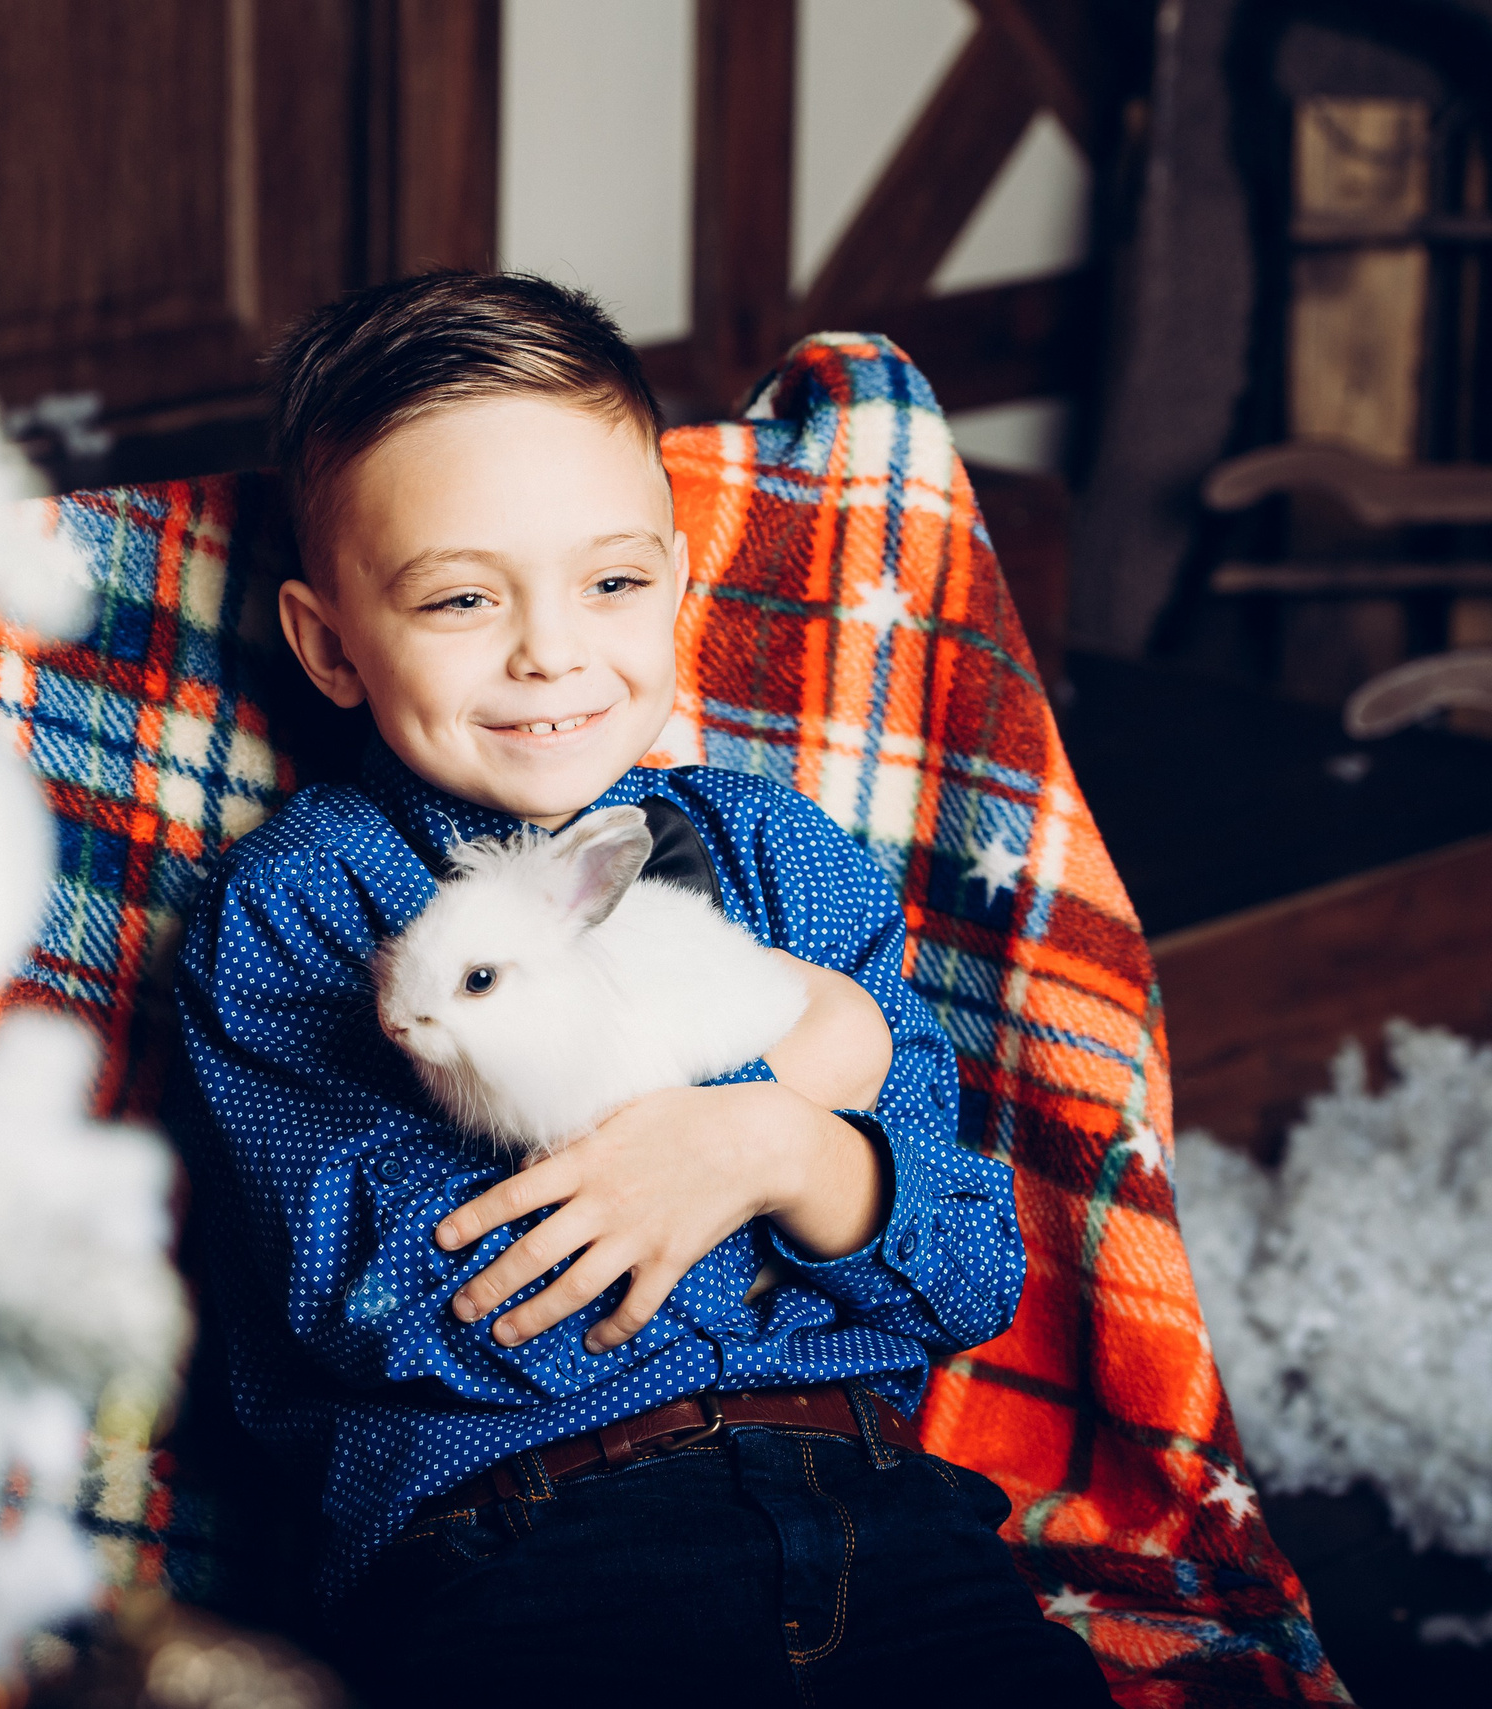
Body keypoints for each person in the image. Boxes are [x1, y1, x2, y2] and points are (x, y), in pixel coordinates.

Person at [167, 273, 1115, 1705]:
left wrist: (787, 1153)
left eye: (609, 583)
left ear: (675, 581)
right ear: (330, 644)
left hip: (882, 1513)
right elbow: (386, 1300)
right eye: (461, 597)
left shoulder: (787, 860)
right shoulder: (304, 911)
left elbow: (972, 1264)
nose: (551, 651)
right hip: (528, 1539)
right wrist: (771, 1092)